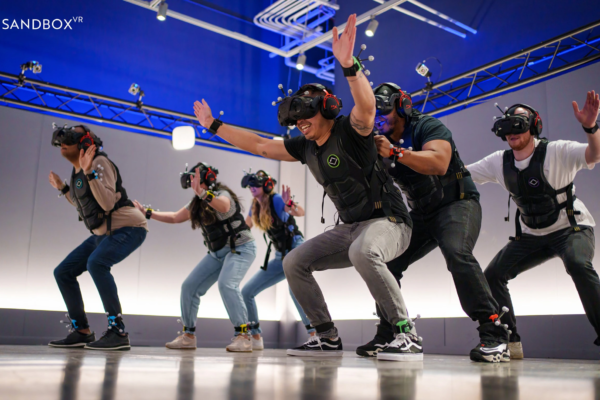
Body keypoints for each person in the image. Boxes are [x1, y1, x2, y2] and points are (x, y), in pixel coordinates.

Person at [193, 14, 420, 361]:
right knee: (294, 261)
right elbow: (260, 146)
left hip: (390, 221)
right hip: (350, 228)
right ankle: (326, 336)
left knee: (363, 252)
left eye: (306, 115)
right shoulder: (305, 146)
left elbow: (367, 106)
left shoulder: (351, 131)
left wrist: (349, 65)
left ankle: (407, 333)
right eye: (296, 118)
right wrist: (213, 125)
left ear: (326, 108)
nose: (300, 123)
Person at [362, 83, 508, 363]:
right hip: (420, 213)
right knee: (387, 264)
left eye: (383, 111)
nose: (378, 118)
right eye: (374, 113)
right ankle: (389, 332)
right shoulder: (377, 140)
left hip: (457, 203)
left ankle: (494, 332)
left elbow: (439, 163)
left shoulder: (427, 126)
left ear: (402, 107)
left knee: (457, 253)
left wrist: (394, 152)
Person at [467, 91, 600, 359]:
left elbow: (595, 155)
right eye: (507, 126)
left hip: (571, 228)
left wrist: (591, 127)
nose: (512, 132)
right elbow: (460, 173)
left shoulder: (557, 151)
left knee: (577, 263)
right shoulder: (499, 162)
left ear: (534, 126)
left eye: (518, 125)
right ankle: (509, 341)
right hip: (532, 235)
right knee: (492, 276)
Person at [133, 162, 257, 352]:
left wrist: (203, 193)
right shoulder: (198, 202)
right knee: (189, 287)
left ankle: (243, 336)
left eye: (195, 179)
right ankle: (188, 336)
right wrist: (148, 213)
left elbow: (224, 206)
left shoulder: (222, 194)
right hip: (217, 254)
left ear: (207, 178)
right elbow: (175, 217)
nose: (192, 184)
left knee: (227, 284)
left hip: (240, 247)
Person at [48, 124, 147, 351]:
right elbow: (83, 205)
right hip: (103, 233)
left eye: (71, 138)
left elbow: (107, 203)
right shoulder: (77, 172)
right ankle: (82, 331)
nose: (63, 144)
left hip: (129, 227)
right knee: (63, 272)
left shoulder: (100, 163)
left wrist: (89, 172)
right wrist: (63, 188)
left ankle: (118, 331)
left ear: (85, 144)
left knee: (97, 263)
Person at [240, 170, 315, 350]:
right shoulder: (255, 206)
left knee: (294, 290)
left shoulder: (276, 199)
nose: (252, 188)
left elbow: (300, 212)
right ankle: (255, 336)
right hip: (280, 257)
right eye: (250, 185)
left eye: (256, 184)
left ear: (266, 186)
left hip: (295, 250)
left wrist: (289, 203)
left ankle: (315, 334)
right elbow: (244, 228)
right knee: (247, 292)